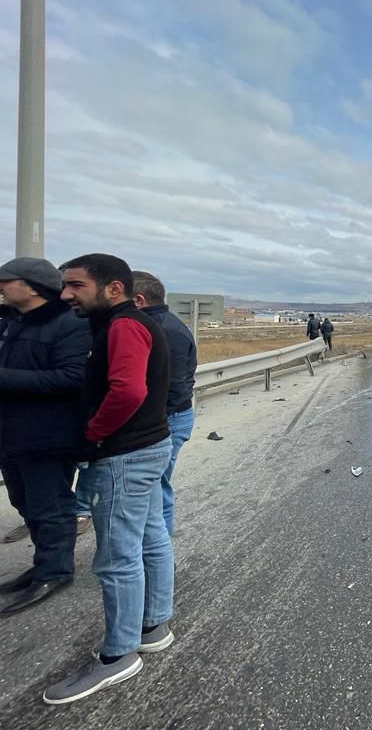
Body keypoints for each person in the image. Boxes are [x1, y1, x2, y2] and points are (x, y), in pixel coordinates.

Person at [45, 254, 173, 705]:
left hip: (124, 455)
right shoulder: (131, 322)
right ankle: (153, 625)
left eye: (76, 285)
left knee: (118, 557)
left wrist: (93, 432)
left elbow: (129, 390)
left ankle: (118, 654)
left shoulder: (122, 326)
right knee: (151, 536)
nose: (66, 294)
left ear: (114, 288)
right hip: (147, 447)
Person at [0, 258, 91, 616]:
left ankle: (55, 572)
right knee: (25, 503)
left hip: (48, 435)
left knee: (49, 507)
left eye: (6, 281)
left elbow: (73, 378)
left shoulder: (68, 324)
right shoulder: (13, 321)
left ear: (32, 287)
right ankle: (43, 564)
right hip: (11, 434)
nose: (1, 288)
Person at [75, 271, 196, 538]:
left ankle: (155, 549)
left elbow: (172, 387)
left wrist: (146, 424)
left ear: (138, 299)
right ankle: (154, 549)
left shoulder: (155, 329)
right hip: (165, 419)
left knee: (156, 491)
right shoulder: (158, 325)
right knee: (152, 492)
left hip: (166, 420)